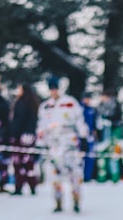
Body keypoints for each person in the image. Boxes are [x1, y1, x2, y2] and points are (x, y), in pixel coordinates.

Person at [36, 75, 87, 212]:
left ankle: (76, 200)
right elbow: (41, 126)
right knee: (54, 173)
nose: (54, 91)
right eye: (51, 89)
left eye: (56, 88)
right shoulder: (46, 106)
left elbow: (80, 121)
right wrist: (41, 141)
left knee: (74, 172)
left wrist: (83, 136)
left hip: (70, 141)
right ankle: (58, 201)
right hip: (53, 143)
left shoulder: (70, 103)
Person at [9, 83, 41, 196]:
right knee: (29, 162)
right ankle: (32, 185)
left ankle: (19, 185)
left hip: (21, 136)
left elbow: (19, 121)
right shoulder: (33, 104)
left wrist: (14, 134)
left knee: (19, 162)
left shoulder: (22, 103)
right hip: (29, 136)